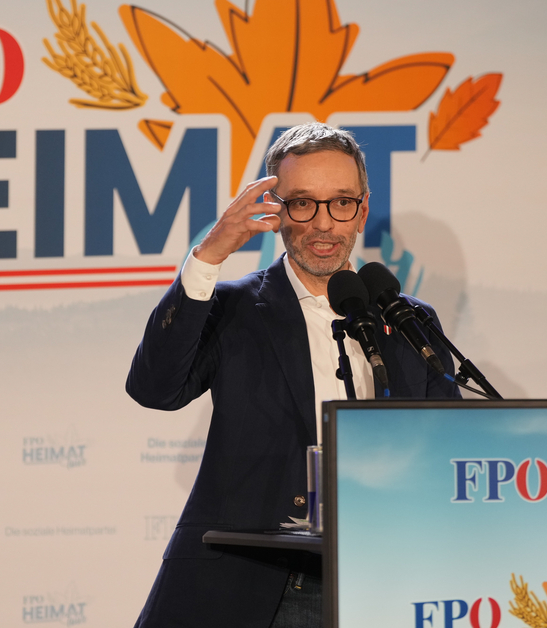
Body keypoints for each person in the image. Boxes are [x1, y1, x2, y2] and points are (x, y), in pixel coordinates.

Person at [126, 123, 460, 628]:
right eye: (303, 203)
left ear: (362, 209)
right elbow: (155, 389)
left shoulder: (410, 321)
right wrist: (209, 256)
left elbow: (445, 449)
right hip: (254, 583)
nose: (324, 223)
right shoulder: (233, 308)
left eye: (341, 202)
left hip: (383, 581)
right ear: (275, 210)